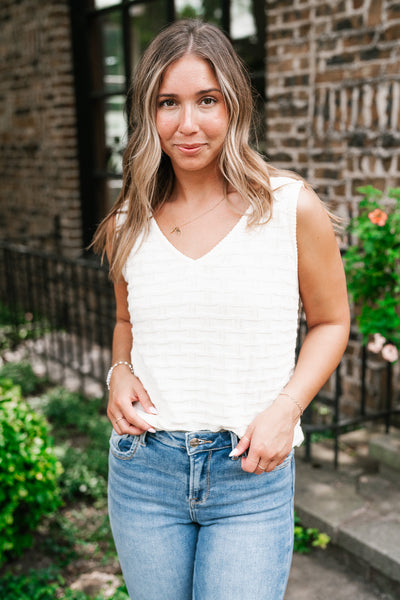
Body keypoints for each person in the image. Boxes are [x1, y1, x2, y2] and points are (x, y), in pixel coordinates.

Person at [93, 19, 350, 600]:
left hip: (248, 477)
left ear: (234, 105)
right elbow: (127, 322)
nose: (187, 124)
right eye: (168, 103)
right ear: (147, 114)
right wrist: (119, 370)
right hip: (144, 471)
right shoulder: (128, 221)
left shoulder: (289, 207)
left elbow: (332, 322)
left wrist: (288, 408)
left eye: (206, 100)